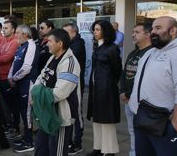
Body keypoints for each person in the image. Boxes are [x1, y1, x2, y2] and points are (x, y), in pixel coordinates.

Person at [129, 16, 177, 156]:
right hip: (143, 119)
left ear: (173, 30)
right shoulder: (152, 52)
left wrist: (176, 121)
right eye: (153, 28)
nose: (153, 32)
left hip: (165, 123)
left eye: (158, 28)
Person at [31, 29, 81, 156]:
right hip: (46, 113)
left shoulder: (70, 62)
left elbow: (60, 93)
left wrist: (36, 95)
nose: (47, 44)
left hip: (60, 116)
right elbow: (40, 77)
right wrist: (35, 92)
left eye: (50, 41)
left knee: (56, 151)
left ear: (60, 44)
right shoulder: (53, 57)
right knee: (41, 149)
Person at [86, 20, 122, 156]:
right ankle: (98, 147)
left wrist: (109, 83)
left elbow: (117, 70)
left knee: (107, 120)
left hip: (107, 89)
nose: (94, 32)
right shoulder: (98, 47)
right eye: (94, 29)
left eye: (97, 29)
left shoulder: (112, 48)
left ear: (105, 31)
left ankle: (109, 150)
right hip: (96, 88)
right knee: (96, 118)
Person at [119, 23, 152, 156]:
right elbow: (124, 73)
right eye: (133, 32)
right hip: (128, 100)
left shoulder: (152, 53)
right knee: (132, 130)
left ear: (148, 34)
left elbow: (145, 78)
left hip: (142, 102)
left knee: (144, 132)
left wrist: (128, 93)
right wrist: (122, 91)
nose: (133, 34)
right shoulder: (133, 53)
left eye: (137, 32)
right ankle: (133, 153)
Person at [8, 25, 40, 153]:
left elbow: (27, 67)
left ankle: (29, 142)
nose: (15, 35)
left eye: (17, 33)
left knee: (27, 114)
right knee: (22, 112)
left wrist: (14, 78)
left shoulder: (31, 45)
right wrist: (11, 77)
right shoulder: (21, 46)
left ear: (25, 35)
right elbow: (15, 63)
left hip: (27, 84)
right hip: (19, 84)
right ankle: (25, 137)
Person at [0, 20, 20, 139]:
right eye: (3, 27)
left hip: (8, 78)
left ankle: (15, 127)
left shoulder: (15, 42)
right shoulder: (3, 40)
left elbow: (7, 58)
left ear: (13, 29)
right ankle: (9, 125)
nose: (3, 29)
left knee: (13, 104)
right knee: (5, 105)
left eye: (6, 28)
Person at [62, 23, 86, 154]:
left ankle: (78, 142)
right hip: (67, 84)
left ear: (74, 33)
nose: (64, 36)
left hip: (76, 84)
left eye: (66, 32)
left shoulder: (78, 45)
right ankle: (69, 140)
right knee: (68, 113)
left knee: (76, 114)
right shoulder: (70, 44)